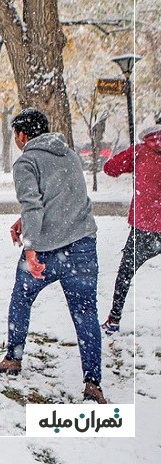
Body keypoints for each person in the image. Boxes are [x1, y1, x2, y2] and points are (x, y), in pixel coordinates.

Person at [0, 108, 105, 404]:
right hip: (82, 246)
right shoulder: (70, 155)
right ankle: (93, 382)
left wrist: (30, 249)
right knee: (86, 312)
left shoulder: (26, 161)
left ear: (21, 135)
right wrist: (25, 221)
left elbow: (33, 206)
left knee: (21, 297)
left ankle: (13, 358)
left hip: (45, 249)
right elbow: (63, 199)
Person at [100, 124, 161, 334]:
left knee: (125, 272)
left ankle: (114, 319)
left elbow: (110, 168)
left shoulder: (140, 151)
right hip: (147, 223)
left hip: (145, 225)